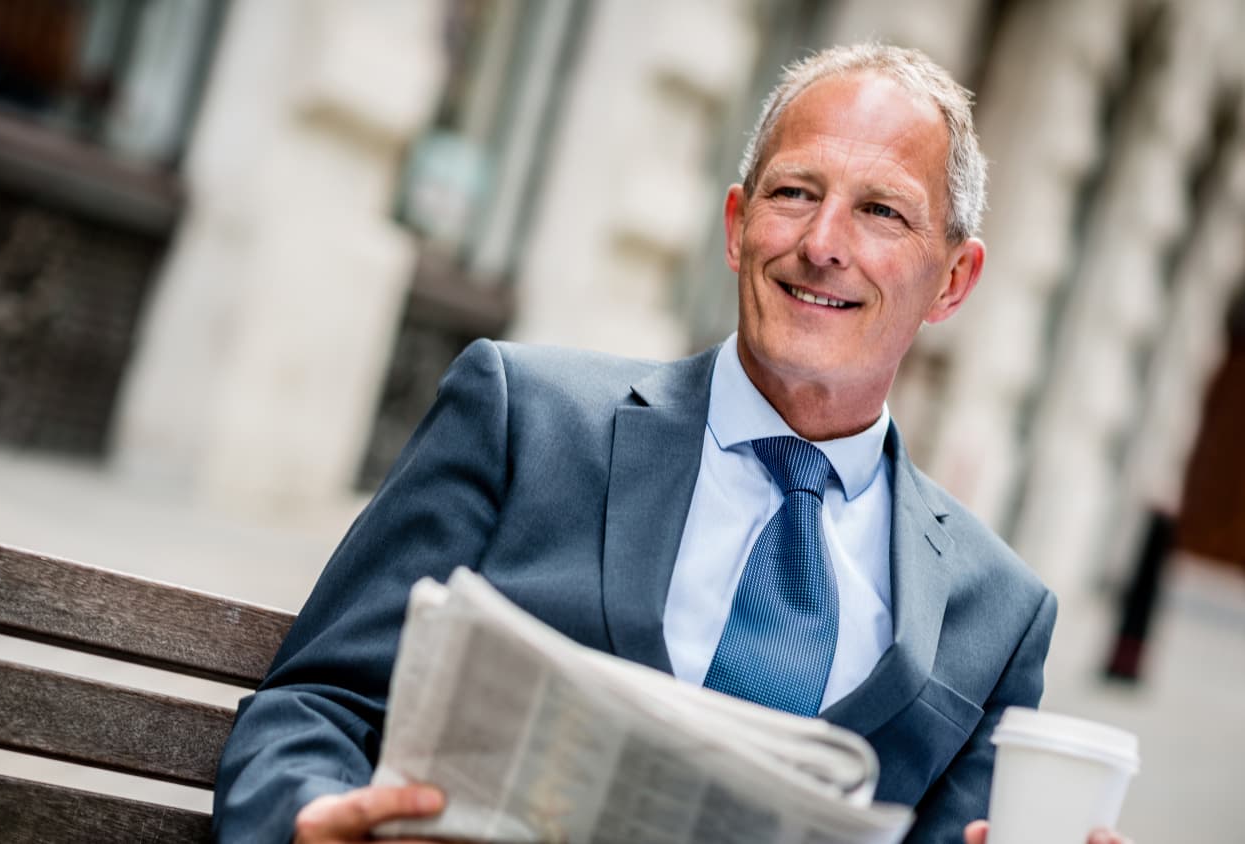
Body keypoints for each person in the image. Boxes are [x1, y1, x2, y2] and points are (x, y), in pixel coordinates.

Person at [213, 44, 1129, 844]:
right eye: (795, 193)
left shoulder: (1001, 617)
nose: (821, 244)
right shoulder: (524, 419)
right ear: (737, 226)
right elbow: (316, 704)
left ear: (953, 281)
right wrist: (308, 816)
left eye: (881, 212)